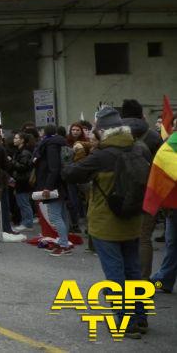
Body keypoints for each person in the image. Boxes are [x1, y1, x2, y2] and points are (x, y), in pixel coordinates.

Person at [62, 107, 148, 338]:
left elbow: (71, 174)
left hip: (106, 222)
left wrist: (68, 158)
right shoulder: (138, 148)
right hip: (132, 219)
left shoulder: (102, 155)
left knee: (115, 274)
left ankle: (125, 322)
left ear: (102, 130)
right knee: (133, 271)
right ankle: (140, 319)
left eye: (95, 128)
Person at [120, 99, 163, 280]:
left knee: (122, 239)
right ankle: (143, 281)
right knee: (144, 239)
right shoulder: (153, 136)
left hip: (121, 195)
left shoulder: (116, 134)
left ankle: (120, 280)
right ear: (141, 114)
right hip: (149, 193)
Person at [35, 124, 72, 256]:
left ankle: (63, 244)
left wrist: (47, 187)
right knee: (62, 214)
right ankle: (65, 241)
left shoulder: (50, 145)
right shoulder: (61, 143)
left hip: (53, 184)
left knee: (55, 215)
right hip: (62, 182)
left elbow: (53, 167)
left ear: (45, 132)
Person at [10, 132, 36, 232]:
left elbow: (23, 167)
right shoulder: (20, 151)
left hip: (23, 180)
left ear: (22, 140)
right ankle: (26, 221)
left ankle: (28, 223)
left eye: (17, 138)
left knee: (24, 202)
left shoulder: (24, 153)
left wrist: (11, 161)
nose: (14, 140)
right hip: (20, 180)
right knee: (22, 202)